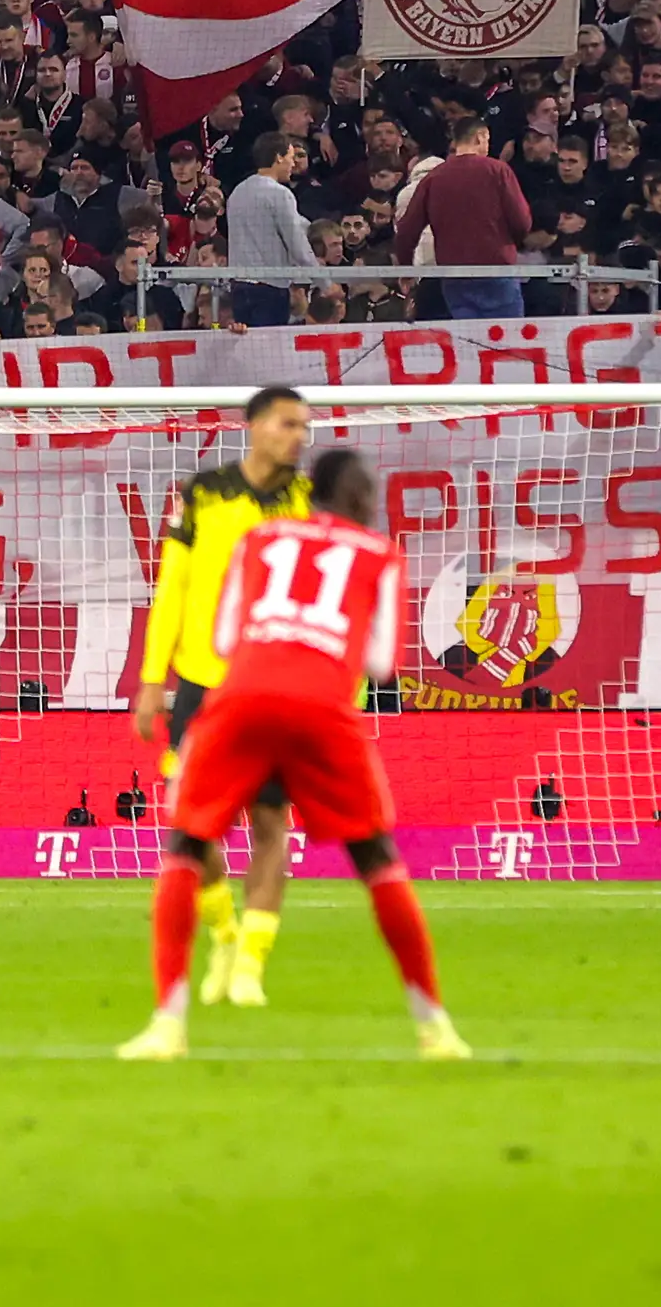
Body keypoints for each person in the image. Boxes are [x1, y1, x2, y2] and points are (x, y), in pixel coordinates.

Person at [116, 449, 468, 1064]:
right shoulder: (380, 553)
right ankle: (435, 1027)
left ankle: (166, 1026)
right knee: (376, 859)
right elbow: (383, 664)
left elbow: (225, 639)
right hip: (323, 708)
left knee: (186, 845)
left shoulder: (260, 538)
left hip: (242, 697)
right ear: (357, 499)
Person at [132, 387, 313, 1007]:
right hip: (203, 684)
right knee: (193, 828)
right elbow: (172, 587)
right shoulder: (204, 494)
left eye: (305, 426)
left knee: (270, 822)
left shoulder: (309, 503)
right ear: (257, 426)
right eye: (290, 424)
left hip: (275, 686)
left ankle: (250, 968)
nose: (300, 437)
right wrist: (153, 680)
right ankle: (224, 933)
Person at [395, 118, 533, 319]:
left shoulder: (433, 178)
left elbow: (406, 231)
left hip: (454, 275)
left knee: (467, 341)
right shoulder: (498, 170)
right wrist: (511, 242)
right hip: (497, 268)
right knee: (506, 341)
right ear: (480, 137)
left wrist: (406, 268)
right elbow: (522, 222)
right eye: (487, 141)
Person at [222, 136, 317, 328]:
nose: (294, 163)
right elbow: (297, 245)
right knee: (269, 352)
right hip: (269, 288)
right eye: (291, 157)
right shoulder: (280, 193)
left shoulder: (238, 192)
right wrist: (324, 281)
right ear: (278, 157)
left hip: (239, 287)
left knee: (249, 349)